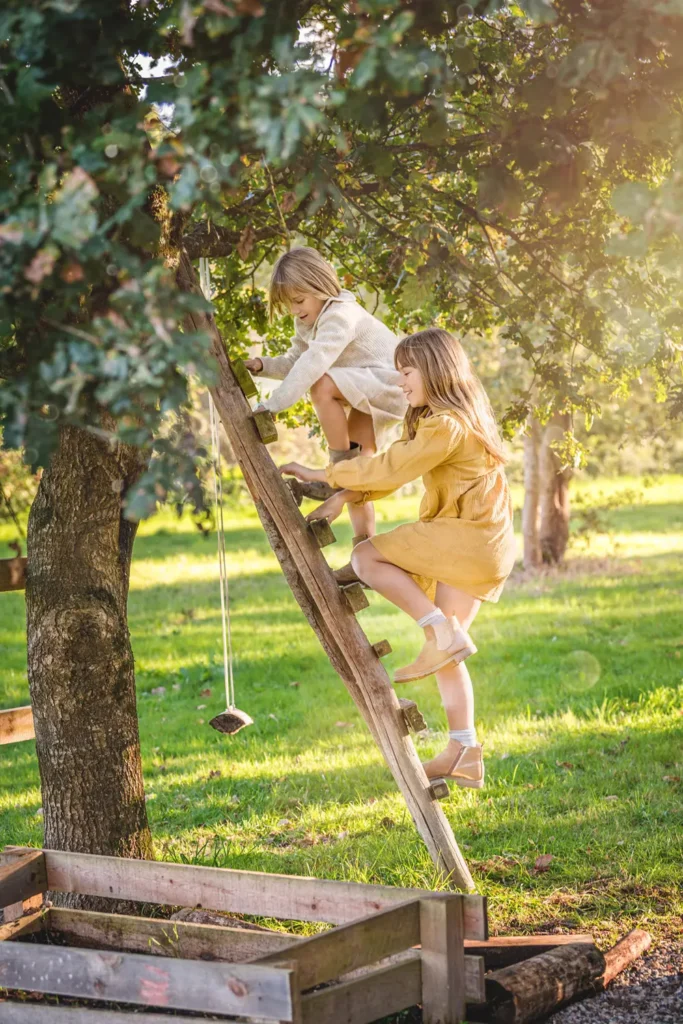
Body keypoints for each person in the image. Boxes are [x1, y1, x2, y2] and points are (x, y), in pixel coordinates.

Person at [280, 328, 517, 790]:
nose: (401, 380)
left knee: (367, 557)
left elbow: (392, 467)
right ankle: (463, 750)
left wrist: (325, 474)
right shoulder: (454, 421)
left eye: (407, 371)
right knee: (449, 655)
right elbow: (395, 469)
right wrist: (341, 494)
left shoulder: (445, 424)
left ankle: (435, 630)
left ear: (434, 371)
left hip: (467, 538)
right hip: (485, 546)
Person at [245, 247, 406, 579]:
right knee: (359, 474)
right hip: (367, 392)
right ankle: (366, 555)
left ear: (320, 287)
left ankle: (337, 470)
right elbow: (294, 361)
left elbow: (313, 364)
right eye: (288, 303)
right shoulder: (311, 321)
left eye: (299, 300)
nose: (294, 309)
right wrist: (262, 366)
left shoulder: (340, 315)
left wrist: (273, 404)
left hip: (388, 386)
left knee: (321, 385)